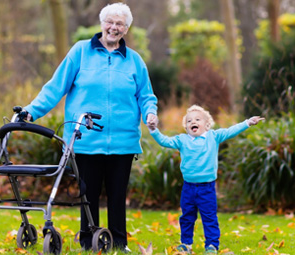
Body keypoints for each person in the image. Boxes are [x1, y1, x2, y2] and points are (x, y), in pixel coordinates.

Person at [22, 2, 158, 253]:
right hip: (84, 137)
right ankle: (88, 242)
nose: (113, 28)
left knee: (117, 197)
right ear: (101, 23)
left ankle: (118, 243)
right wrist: (31, 111)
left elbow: (146, 96)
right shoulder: (80, 52)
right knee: (88, 196)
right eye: (110, 22)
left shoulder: (134, 61)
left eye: (120, 24)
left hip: (123, 141)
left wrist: (150, 112)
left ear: (126, 29)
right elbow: (55, 87)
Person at [147, 105, 264, 254]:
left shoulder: (213, 137)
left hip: (206, 188)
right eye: (189, 121)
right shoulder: (182, 140)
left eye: (197, 119)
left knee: (209, 218)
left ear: (207, 125)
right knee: (187, 217)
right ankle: (186, 245)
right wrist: (153, 130)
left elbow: (230, 131)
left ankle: (212, 245)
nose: (192, 122)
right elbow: (164, 141)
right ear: (186, 126)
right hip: (188, 188)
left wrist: (247, 122)